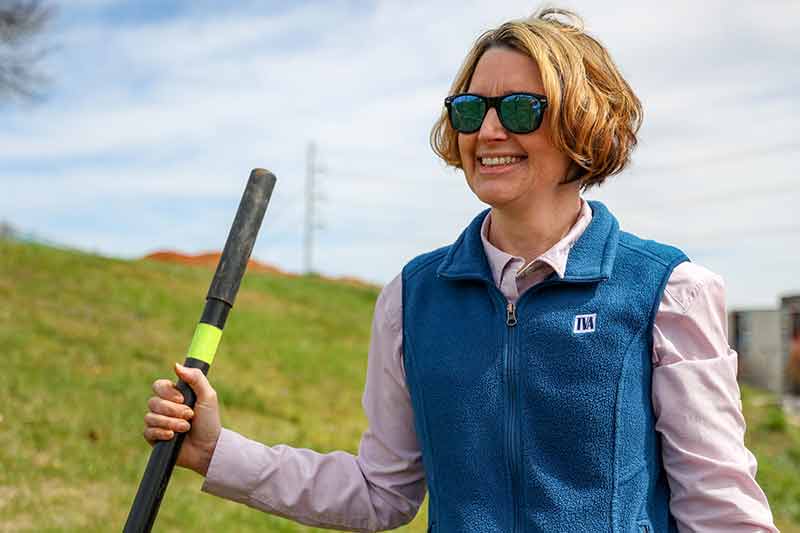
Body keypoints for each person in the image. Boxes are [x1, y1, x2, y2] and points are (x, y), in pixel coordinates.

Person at [143, 8, 778, 532]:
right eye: (471, 110)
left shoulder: (668, 292)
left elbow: (720, 511)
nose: (489, 130)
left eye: (521, 109)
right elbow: (380, 492)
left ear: (582, 123)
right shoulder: (411, 298)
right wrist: (217, 452)